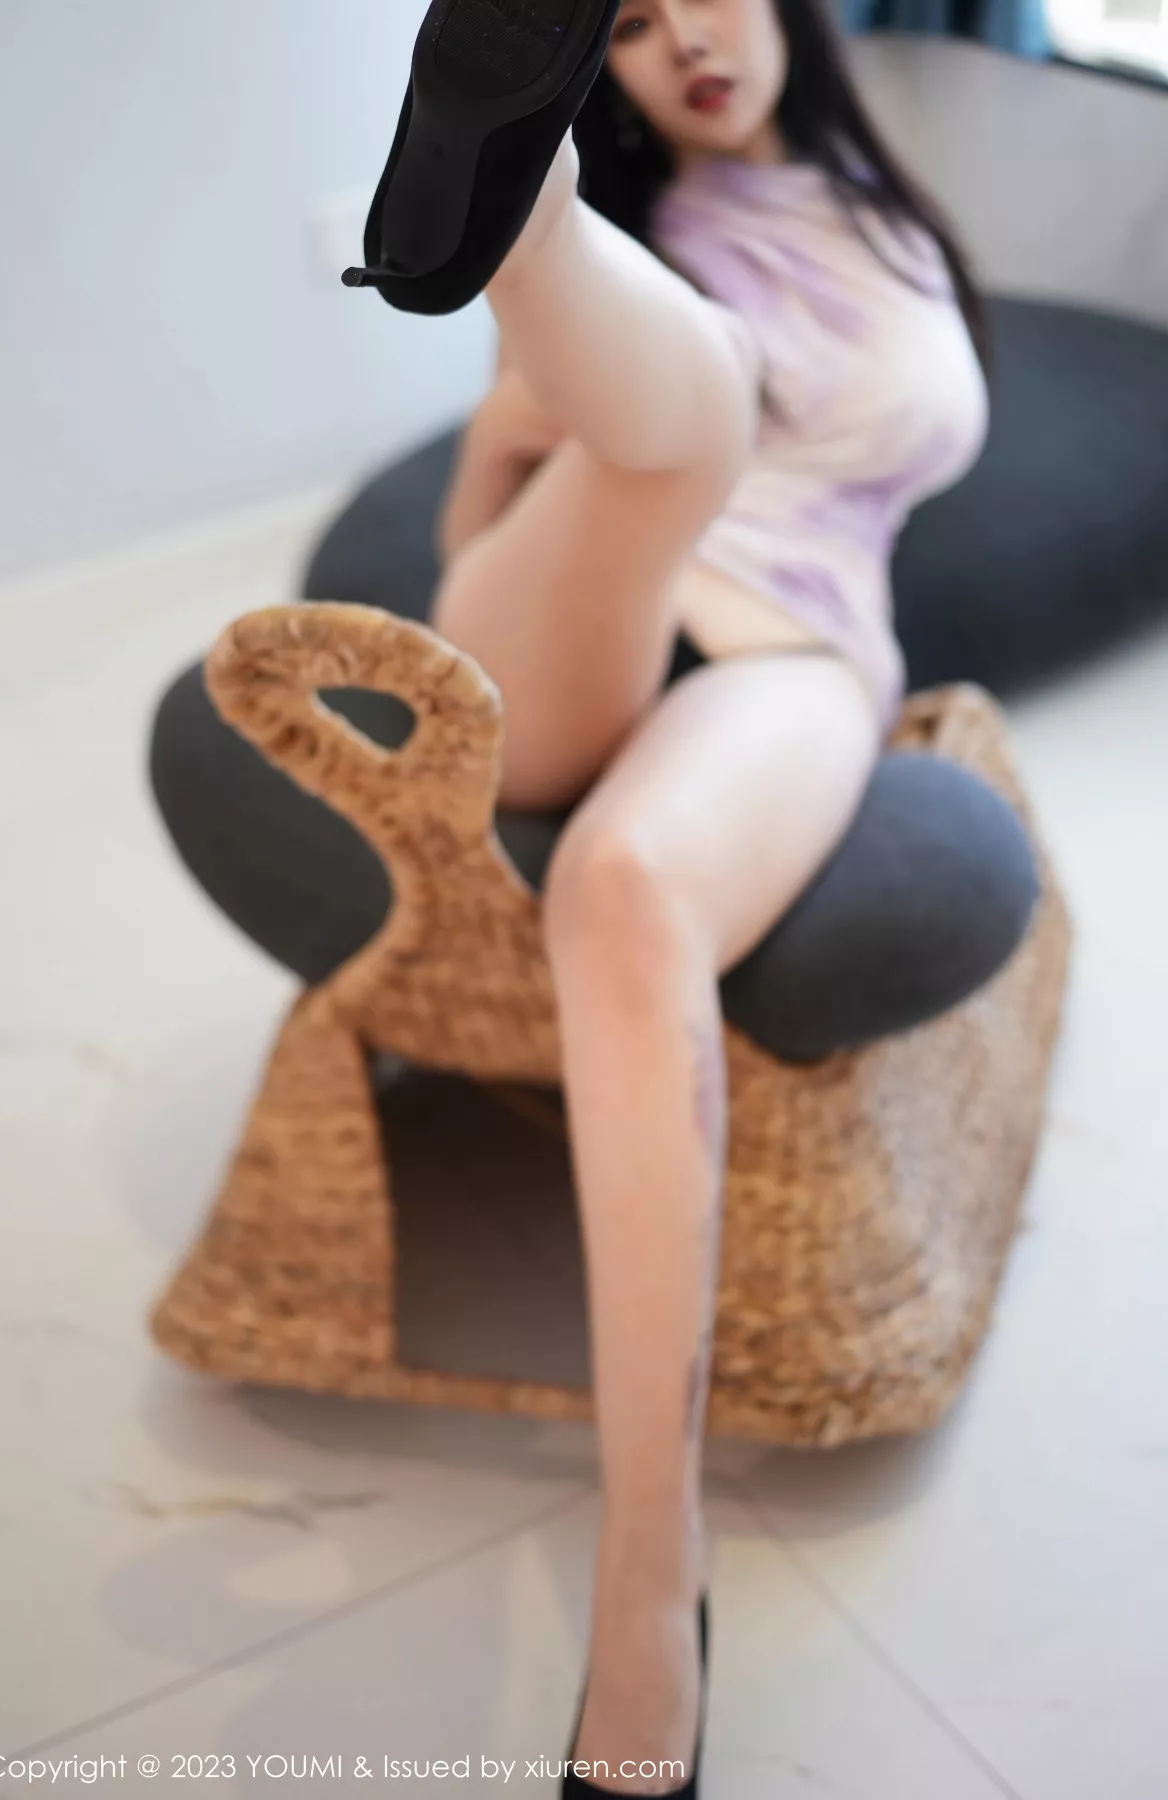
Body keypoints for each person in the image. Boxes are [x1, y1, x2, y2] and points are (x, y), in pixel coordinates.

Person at [344, 0, 992, 1793]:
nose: (683, 39)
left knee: (624, 887)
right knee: (680, 416)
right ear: (605, 71)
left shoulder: (883, 221)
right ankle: (519, 207)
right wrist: (514, 424)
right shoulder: (672, 242)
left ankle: (649, 1573)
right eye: (622, 25)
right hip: (574, 604)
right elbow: (478, 525)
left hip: (789, 653)